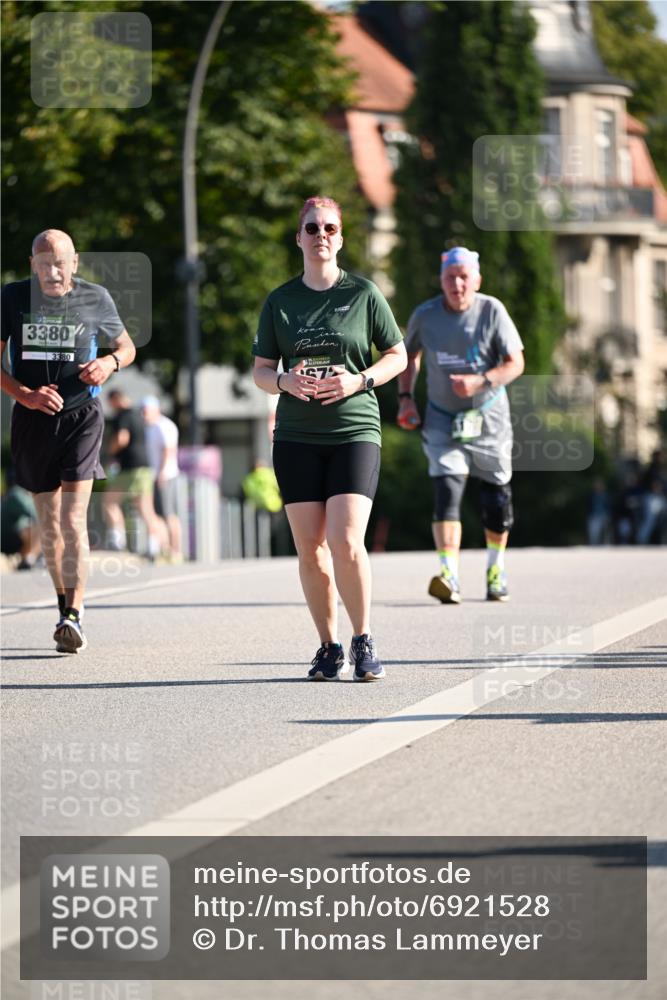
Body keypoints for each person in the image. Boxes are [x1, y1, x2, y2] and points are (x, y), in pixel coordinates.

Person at [253, 196, 406, 681]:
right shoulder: (279, 302)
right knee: (311, 549)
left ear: (341, 238)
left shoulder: (363, 294)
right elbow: (259, 370)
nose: (322, 235)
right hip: (296, 436)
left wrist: (359, 380)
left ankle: (363, 640)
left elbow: (398, 356)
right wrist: (284, 382)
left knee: (344, 539)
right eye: (313, 227)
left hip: (354, 430)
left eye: (331, 228)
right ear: (298, 237)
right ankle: (328, 646)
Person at [0, 229, 135, 652]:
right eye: (44, 264)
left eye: (60, 263)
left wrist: (109, 363)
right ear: (32, 264)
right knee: (49, 525)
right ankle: (63, 606)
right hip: (32, 419)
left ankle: (74, 614)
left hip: (82, 417)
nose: (53, 272)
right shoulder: (12, 298)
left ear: (74, 262)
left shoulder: (95, 298)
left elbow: (127, 346)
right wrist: (25, 394)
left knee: (73, 518)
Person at [398, 246, 524, 603]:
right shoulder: (425, 316)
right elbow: (408, 356)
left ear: (476, 280)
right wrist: (405, 398)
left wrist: (481, 381)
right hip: (442, 416)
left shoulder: (492, 311)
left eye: (464, 276)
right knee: (446, 489)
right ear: (441, 281)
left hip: (489, 414)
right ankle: (449, 575)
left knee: (495, 497)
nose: (457, 284)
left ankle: (496, 570)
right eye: (450, 277)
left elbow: (516, 363)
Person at [103, 389, 163, 559]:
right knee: (146, 509)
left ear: (116, 399)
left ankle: (117, 540)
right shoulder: (139, 415)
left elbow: (122, 438)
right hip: (144, 467)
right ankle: (153, 547)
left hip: (129, 468)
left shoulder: (122, 416)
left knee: (109, 502)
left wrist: (109, 452)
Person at [141, 396, 182, 562]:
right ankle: (164, 548)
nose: (144, 415)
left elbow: (168, 450)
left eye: (146, 411)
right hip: (153, 475)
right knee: (157, 514)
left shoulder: (164, 426)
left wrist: (163, 472)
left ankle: (176, 550)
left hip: (166, 475)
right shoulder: (149, 427)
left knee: (169, 513)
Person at [1, 474, 41, 569]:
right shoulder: (16, 493)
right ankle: (28, 559)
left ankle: (28, 558)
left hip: (8, 538)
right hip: (7, 540)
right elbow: (36, 515)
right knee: (42, 527)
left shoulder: (12, 494)